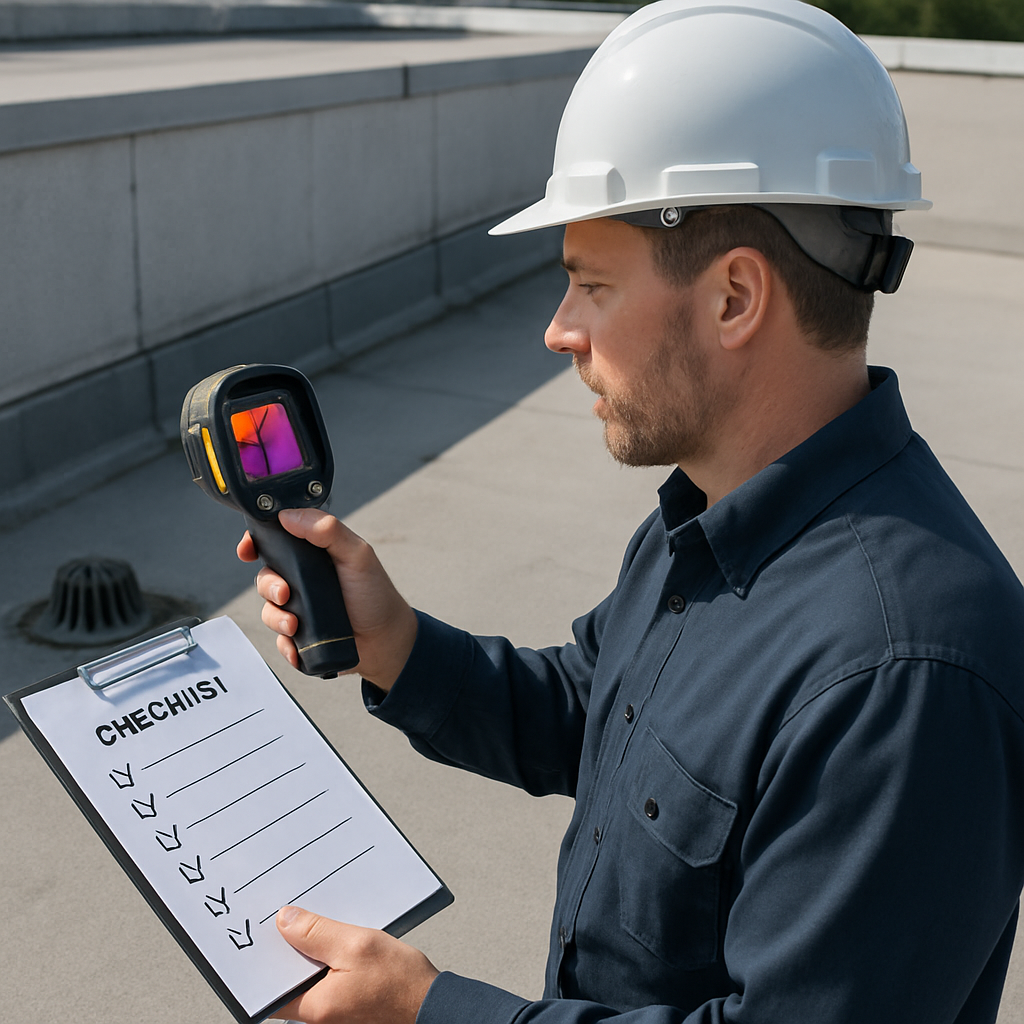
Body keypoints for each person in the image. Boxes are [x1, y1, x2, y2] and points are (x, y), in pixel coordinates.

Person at [240, 0, 1024, 1021]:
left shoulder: (906, 674)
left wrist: (434, 1014)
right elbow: (599, 712)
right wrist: (398, 645)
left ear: (734, 297)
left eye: (591, 285)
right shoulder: (707, 513)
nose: (559, 331)